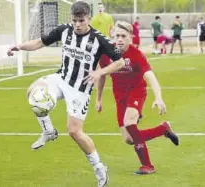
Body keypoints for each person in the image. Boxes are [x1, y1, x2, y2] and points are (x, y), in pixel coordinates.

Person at [7, 1, 125, 186]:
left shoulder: (99, 39)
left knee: (75, 132)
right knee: (33, 91)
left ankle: (99, 167)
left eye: (81, 20)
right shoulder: (64, 30)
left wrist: (99, 72)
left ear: (88, 18)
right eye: (74, 20)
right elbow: (40, 42)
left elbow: (120, 62)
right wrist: (19, 46)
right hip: (61, 78)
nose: (77, 24)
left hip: (80, 89)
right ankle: (48, 131)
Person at [96, 21, 179, 174]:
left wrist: (158, 97)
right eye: (117, 36)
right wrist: (99, 99)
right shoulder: (107, 53)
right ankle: (163, 129)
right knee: (129, 139)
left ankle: (147, 166)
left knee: (129, 122)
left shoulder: (137, 55)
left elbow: (151, 77)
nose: (119, 39)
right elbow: (102, 75)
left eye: (123, 36)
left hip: (137, 93)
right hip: (120, 97)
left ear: (130, 38)